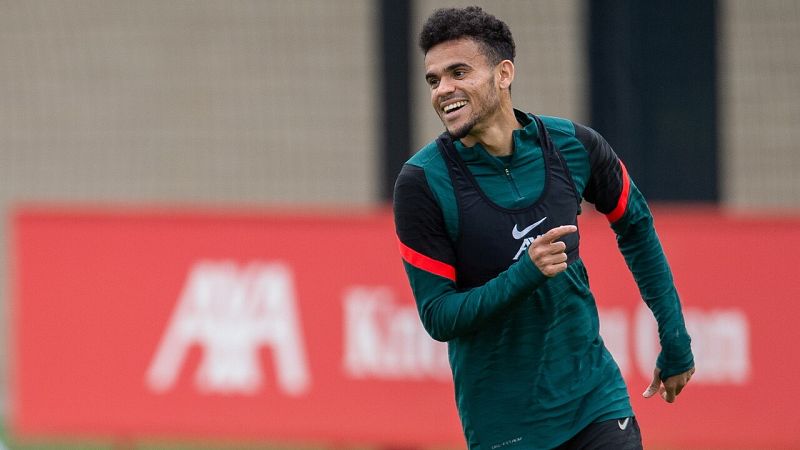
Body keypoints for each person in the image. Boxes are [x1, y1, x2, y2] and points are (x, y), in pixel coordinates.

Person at [392, 6, 695, 450]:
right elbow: (439, 316)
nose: (443, 90)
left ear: (503, 74)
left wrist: (674, 334)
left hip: (595, 402)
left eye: (459, 72)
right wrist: (525, 274)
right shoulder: (422, 182)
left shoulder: (574, 145)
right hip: (505, 428)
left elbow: (636, 227)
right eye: (434, 80)